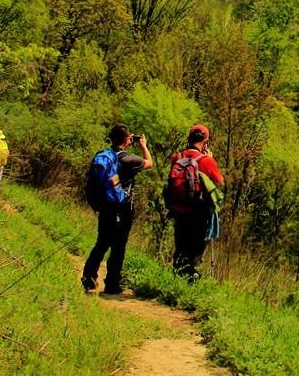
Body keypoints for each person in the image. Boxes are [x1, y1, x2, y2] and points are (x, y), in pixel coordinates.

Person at [81, 124, 152, 295]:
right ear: (127, 140)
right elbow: (149, 163)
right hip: (123, 207)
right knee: (118, 247)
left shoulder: (103, 156)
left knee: (102, 242)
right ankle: (112, 284)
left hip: (105, 206)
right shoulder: (129, 160)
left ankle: (88, 278)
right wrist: (143, 146)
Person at [166, 124, 224, 283]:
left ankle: (176, 282)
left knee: (181, 247)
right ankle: (190, 282)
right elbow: (220, 183)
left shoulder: (176, 157)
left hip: (178, 210)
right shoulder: (206, 161)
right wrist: (211, 160)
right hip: (198, 214)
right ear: (205, 142)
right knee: (195, 252)